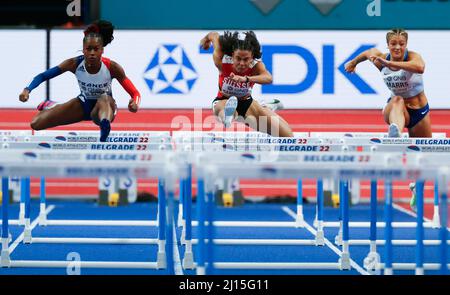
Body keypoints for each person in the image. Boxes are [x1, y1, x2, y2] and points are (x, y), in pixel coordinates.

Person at [345, 28, 431, 211]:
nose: (398, 47)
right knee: (397, 99)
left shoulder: (413, 57)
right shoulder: (380, 58)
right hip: (396, 110)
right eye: (394, 44)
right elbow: (368, 53)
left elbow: (420, 68)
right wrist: (353, 62)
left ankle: (417, 189)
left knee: (426, 156)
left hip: (419, 111)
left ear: (406, 44)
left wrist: (387, 63)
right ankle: (396, 134)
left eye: (401, 44)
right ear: (388, 45)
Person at [19, 20, 141, 142]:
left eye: (96, 49)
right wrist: (27, 90)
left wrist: (135, 104)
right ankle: (53, 106)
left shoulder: (112, 67)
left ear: (102, 50)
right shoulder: (74, 64)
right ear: (83, 50)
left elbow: (135, 93)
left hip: (105, 108)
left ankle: (104, 127)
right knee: (36, 124)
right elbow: (43, 76)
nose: (92, 53)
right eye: (88, 49)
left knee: (104, 98)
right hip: (82, 105)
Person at [200, 31, 293, 137]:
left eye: (246, 59)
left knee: (287, 136)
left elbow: (268, 78)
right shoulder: (221, 59)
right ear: (232, 55)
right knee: (224, 110)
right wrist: (205, 40)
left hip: (247, 103)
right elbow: (214, 35)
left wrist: (246, 79)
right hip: (223, 100)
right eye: (238, 58)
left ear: (252, 57)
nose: (242, 63)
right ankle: (227, 116)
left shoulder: (256, 65)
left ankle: (264, 107)